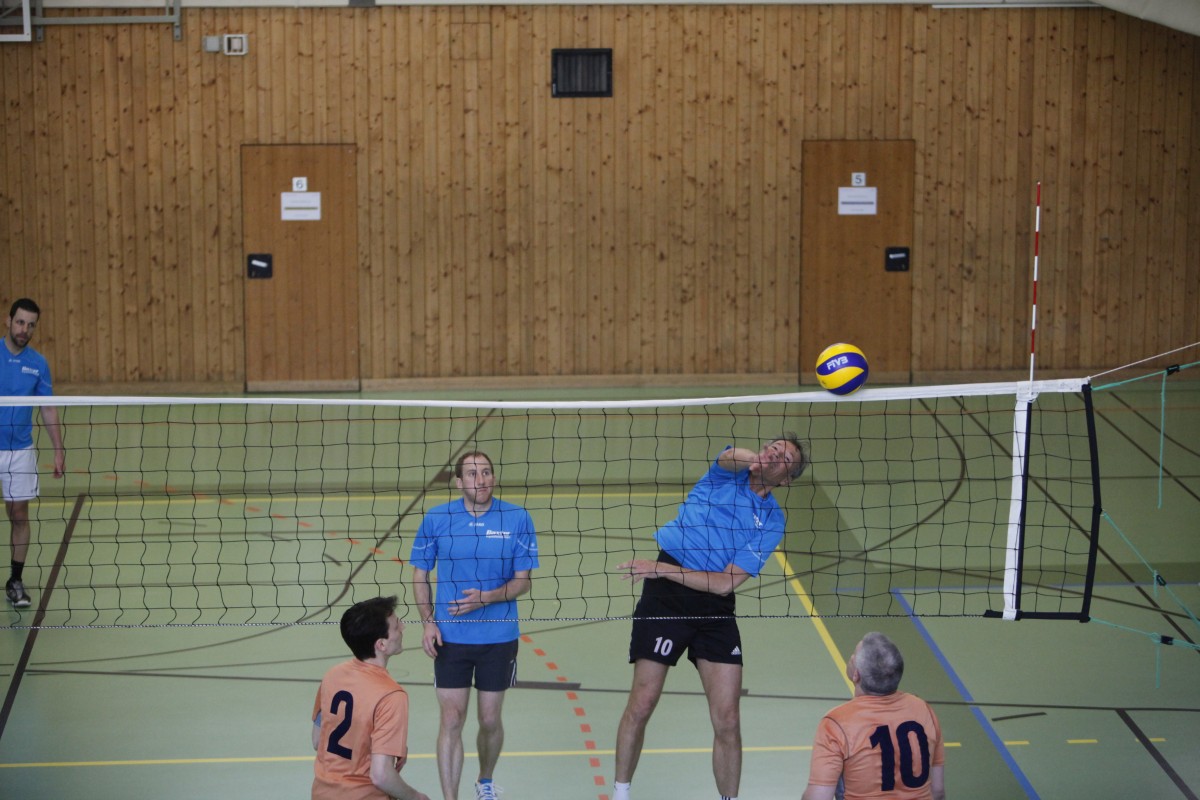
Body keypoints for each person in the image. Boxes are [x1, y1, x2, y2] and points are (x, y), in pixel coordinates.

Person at [612, 435, 809, 800]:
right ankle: (620, 793)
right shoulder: (726, 474)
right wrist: (755, 459)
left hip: (710, 605)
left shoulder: (772, 521)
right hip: (666, 600)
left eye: (784, 458)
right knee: (641, 704)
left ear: (786, 480)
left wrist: (660, 569)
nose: (774, 454)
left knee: (728, 720)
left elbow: (724, 584)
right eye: (772, 447)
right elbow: (731, 456)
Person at [410, 451, 539, 800]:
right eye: (471, 473)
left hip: (498, 636)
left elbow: (523, 581)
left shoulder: (517, 518)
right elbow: (420, 575)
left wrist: (488, 597)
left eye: (485, 472)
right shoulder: (437, 519)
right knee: (452, 719)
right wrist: (428, 623)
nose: (480, 480)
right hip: (450, 637)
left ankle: (485, 780)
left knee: (489, 720)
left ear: (493, 478)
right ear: (458, 482)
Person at [312, 595, 430, 800]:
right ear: (381, 644)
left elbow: (317, 740)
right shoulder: (391, 696)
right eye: (396, 626)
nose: (403, 627)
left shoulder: (333, 675)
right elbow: (381, 775)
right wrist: (418, 797)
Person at [801, 632, 946, 800]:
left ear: (856, 674)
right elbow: (938, 791)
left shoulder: (836, 723)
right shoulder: (924, 710)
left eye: (853, 656)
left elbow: (818, 797)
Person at [3, 298, 66, 609]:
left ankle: (15, 581)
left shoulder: (38, 363)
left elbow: (47, 408)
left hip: (20, 451)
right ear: (8, 321)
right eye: (20, 322)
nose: (24, 329)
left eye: (30, 325)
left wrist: (58, 450)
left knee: (19, 515)